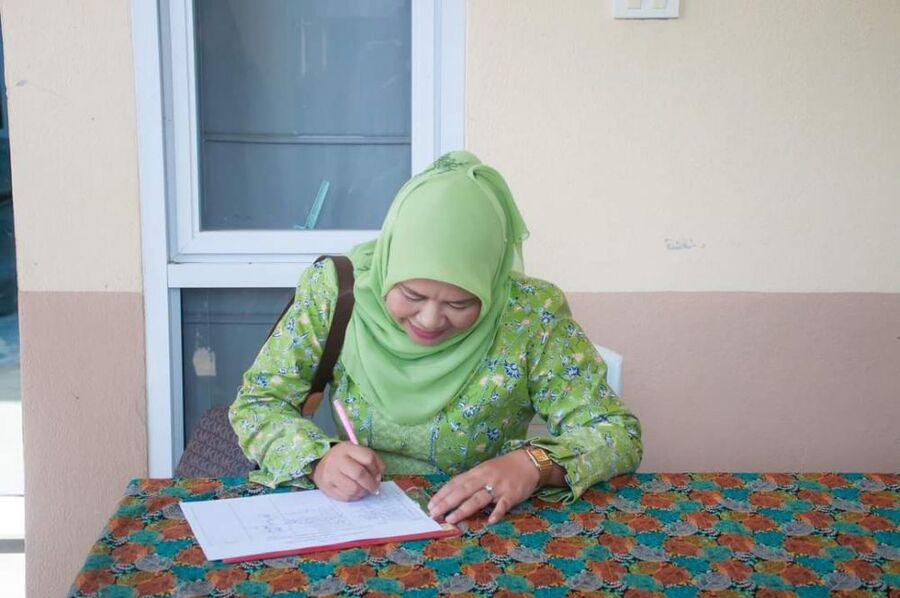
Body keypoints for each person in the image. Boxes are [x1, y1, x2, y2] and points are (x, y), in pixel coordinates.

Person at [229, 151, 642, 525]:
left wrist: (531, 464)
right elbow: (258, 404)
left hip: (479, 523)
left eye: (460, 303)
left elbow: (615, 432)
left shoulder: (530, 314)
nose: (429, 320)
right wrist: (318, 460)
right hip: (353, 518)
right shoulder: (336, 291)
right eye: (411, 295)